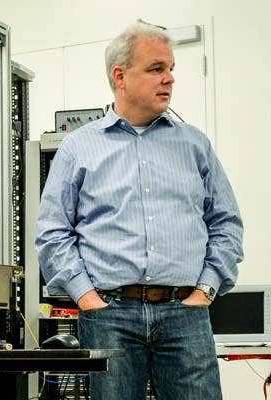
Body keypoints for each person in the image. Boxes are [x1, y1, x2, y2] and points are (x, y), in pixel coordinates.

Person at [36, 21, 243, 400]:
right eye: (156, 68)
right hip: (109, 314)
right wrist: (87, 298)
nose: (169, 78)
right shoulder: (79, 148)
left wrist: (205, 290)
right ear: (120, 76)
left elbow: (226, 223)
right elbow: (53, 232)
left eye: (171, 68)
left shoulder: (194, 145)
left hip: (185, 312)